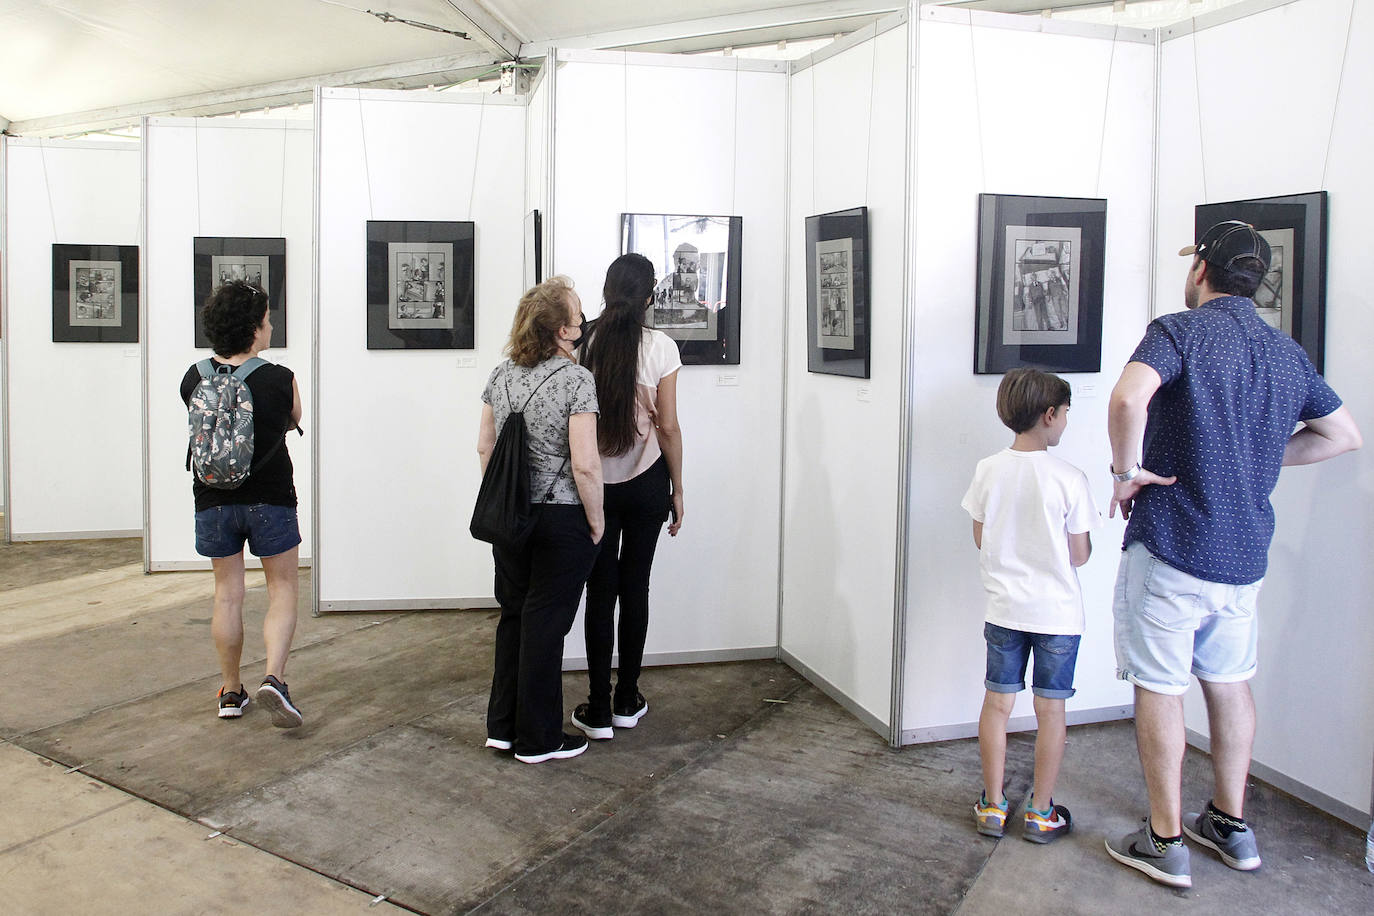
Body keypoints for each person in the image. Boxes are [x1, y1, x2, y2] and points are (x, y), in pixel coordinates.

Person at [1103, 221, 1361, 888]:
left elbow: (1130, 395)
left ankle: (1164, 842)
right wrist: (1256, 455)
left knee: (1162, 686)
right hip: (1245, 555)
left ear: (1202, 271)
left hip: (1175, 543)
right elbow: (1342, 434)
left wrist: (1123, 472)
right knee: (1229, 680)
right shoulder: (1284, 352)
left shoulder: (1178, 331)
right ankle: (1230, 823)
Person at [962, 368, 1098, 844]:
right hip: (1058, 616)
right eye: (1064, 415)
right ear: (1049, 415)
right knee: (1051, 712)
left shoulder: (987, 469)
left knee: (997, 705)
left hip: (1004, 611)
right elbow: (1079, 554)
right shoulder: (1070, 478)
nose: (1064, 423)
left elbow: (980, 536)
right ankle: (1041, 811)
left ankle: (993, 805)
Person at [478, 276, 605, 764]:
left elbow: (484, 445)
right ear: (562, 332)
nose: (582, 324)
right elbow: (586, 464)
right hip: (561, 518)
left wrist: (504, 499)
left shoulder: (502, 374)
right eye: (577, 318)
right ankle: (540, 738)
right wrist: (595, 522)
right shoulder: (576, 380)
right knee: (546, 625)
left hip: (511, 519)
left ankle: (503, 728)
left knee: (514, 616)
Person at [570, 253, 685, 741]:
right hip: (645, 485)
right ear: (649, 295)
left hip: (593, 485)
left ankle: (596, 707)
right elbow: (669, 426)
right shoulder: (661, 348)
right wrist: (679, 487)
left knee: (600, 593)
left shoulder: (583, 342)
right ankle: (626, 698)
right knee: (635, 588)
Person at [180, 281, 304, 727]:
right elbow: (294, 418)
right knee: (282, 589)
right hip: (270, 498)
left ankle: (231, 691)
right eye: (267, 320)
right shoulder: (279, 378)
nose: (270, 326)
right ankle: (274, 677)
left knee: (227, 595)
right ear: (254, 328)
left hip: (212, 499)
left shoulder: (193, 378)